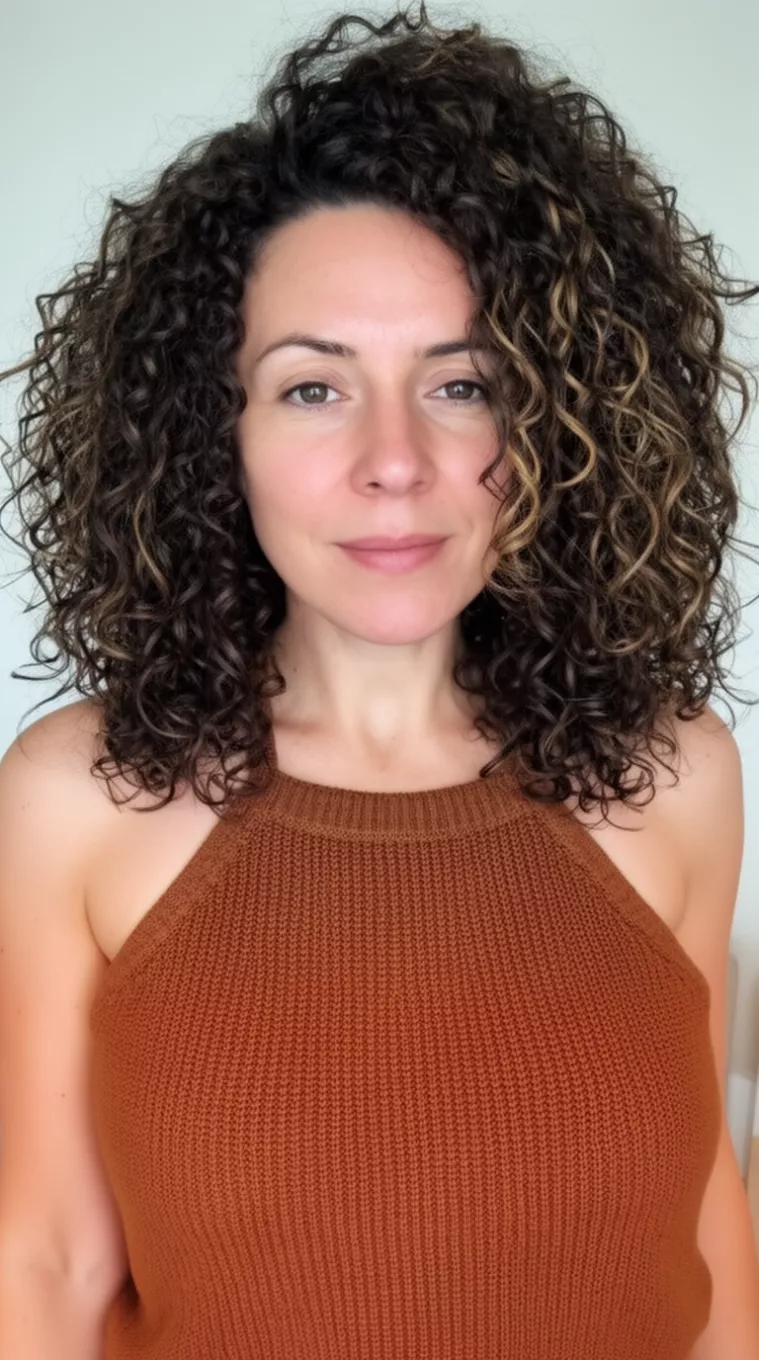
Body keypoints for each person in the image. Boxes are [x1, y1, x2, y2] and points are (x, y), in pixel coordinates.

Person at [1, 4, 758, 1357]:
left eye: (461, 384)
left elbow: (701, 1236)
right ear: (205, 428)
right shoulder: (80, 799)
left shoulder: (675, 777)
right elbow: (46, 1267)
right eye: (311, 389)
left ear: (555, 415)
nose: (393, 460)